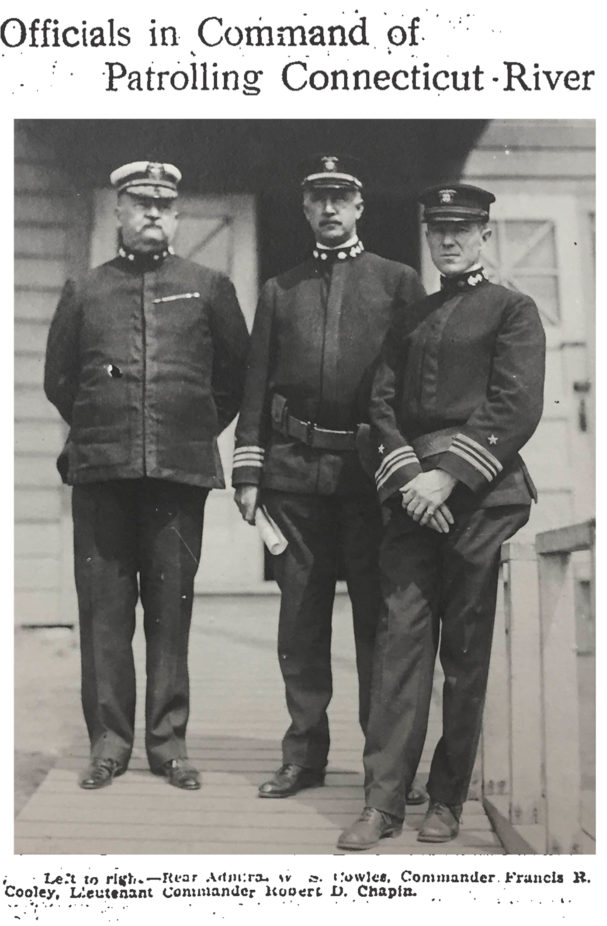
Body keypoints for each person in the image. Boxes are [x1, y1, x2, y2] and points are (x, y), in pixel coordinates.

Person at [338, 182, 546, 849]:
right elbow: (380, 409)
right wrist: (408, 479)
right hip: (411, 504)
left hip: (480, 502)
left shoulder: (513, 309)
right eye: (438, 231)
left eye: (462, 229)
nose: (449, 241)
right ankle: (382, 801)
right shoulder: (411, 318)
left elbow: (514, 407)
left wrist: (446, 476)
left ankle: (448, 799)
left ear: (484, 233)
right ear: (427, 238)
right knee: (399, 648)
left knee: (464, 653)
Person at [44, 161, 249, 790]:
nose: (154, 214)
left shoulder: (209, 287)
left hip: (176, 475)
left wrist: (186, 429)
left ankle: (168, 745)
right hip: (102, 474)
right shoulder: (85, 290)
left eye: (165, 204)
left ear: (178, 215)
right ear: (120, 214)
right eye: (140, 204)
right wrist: (107, 429)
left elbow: (234, 379)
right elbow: (59, 381)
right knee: (105, 612)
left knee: (169, 609)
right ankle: (109, 744)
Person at [233, 154, 426, 799]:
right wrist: (250, 471)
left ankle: (385, 765)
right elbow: (256, 386)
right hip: (293, 478)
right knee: (302, 620)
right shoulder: (279, 290)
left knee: (378, 620)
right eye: (318, 199)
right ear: (305, 209)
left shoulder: (398, 283)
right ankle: (304, 755)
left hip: (372, 477)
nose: (330, 210)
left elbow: (417, 388)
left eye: (341, 198)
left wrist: (412, 467)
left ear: (360, 207)